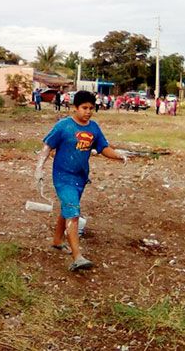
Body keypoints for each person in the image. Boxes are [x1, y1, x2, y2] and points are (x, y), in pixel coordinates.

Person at [35, 91, 128, 272]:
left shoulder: (93, 128)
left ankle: (57, 240)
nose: (88, 112)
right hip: (63, 176)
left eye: (91, 108)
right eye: (84, 108)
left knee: (68, 207)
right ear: (75, 107)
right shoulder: (63, 126)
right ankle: (77, 257)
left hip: (80, 177)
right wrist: (39, 168)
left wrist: (118, 156)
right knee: (73, 212)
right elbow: (47, 146)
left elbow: (103, 148)